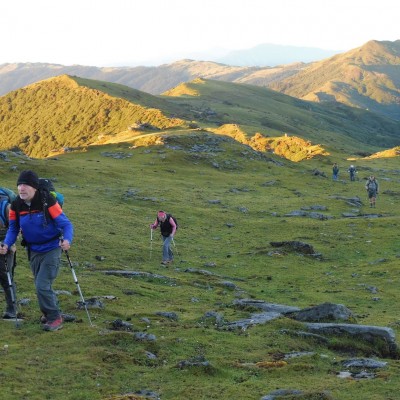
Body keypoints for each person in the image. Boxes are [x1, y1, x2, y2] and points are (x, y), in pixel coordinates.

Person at [0, 170, 74, 331]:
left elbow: (66, 224)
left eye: (25, 185)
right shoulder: (16, 206)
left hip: (52, 248)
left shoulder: (48, 202)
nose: (21, 188)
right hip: (33, 250)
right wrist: (6, 244)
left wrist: (67, 240)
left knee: (42, 284)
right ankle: (48, 313)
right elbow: (13, 228)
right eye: (19, 185)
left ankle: (55, 318)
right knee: (40, 284)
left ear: (34, 187)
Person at [0, 200, 18, 320]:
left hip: (5, 244)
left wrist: (8, 244)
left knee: (6, 277)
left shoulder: (7, 207)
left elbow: (16, 227)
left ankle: (12, 309)